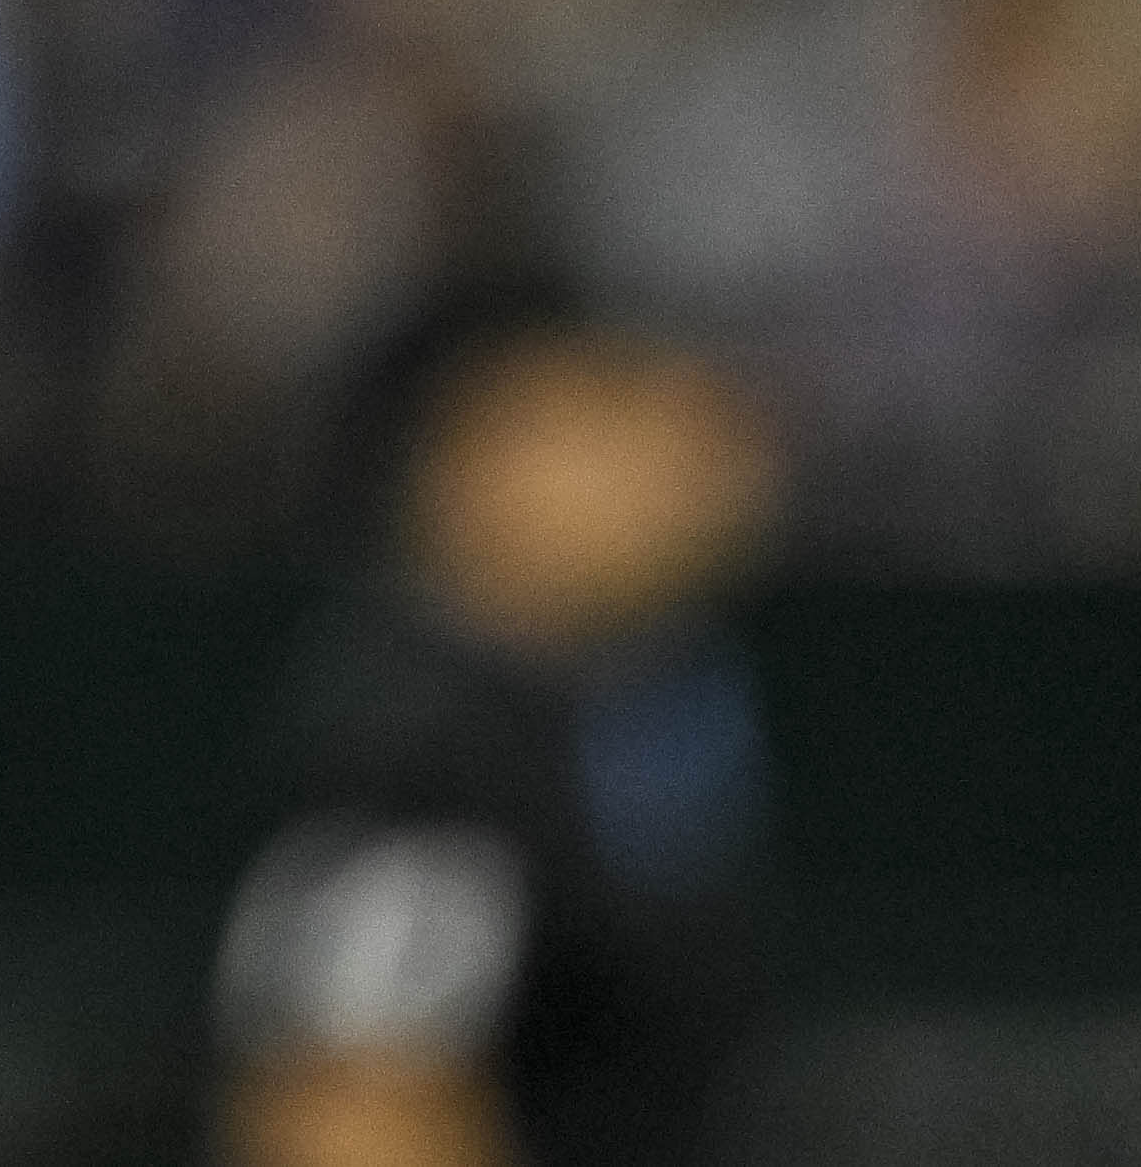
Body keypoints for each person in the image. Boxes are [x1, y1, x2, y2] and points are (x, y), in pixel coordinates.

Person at [214, 306, 785, 1167]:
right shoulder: (418, 737)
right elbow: (348, 1109)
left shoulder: (618, 701)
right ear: (485, 457)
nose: (694, 445)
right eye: (613, 411)